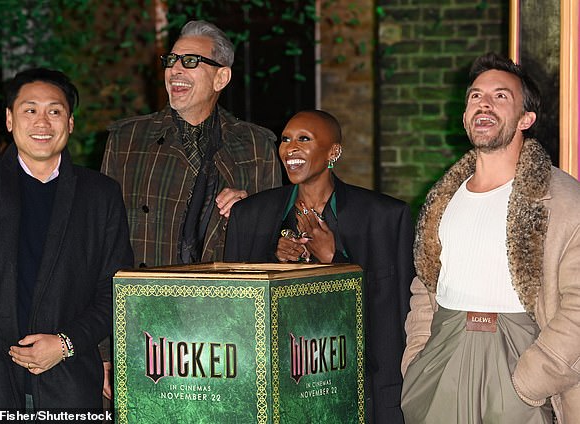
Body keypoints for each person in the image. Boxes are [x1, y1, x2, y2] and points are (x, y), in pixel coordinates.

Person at [401, 53, 580, 423]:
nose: (484, 102)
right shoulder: (443, 197)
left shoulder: (563, 199)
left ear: (526, 119)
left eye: (501, 96)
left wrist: (531, 380)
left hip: (520, 358)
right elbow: (426, 283)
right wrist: (417, 357)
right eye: (475, 96)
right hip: (443, 354)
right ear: (466, 114)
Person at [0, 68, 133, 412]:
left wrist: (66, 344)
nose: (42, 122)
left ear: (70, 123)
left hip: (69, 382)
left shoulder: (100, 194)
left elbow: (117, 291)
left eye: (55, 111)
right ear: (9, 119)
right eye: (30, 110)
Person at [225, 110, 415, 423]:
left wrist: (334, 260)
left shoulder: (385, 218)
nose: (290, 148)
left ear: (333, 152)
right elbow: (234, 313)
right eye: (286, 139)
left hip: (356, 393)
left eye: (304, 139)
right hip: (274, 394)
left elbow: (392, 318)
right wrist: (272, 264)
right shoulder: (250, 216)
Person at [101, 20, 281, 268]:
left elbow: (273, 242)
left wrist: (247, 214)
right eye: (171, 60)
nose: (174, 70)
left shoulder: (256, 145)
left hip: (223, 299)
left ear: (221, 78)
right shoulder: (127, 139)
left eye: (190, 61)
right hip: (143, 296)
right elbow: (100, 235)